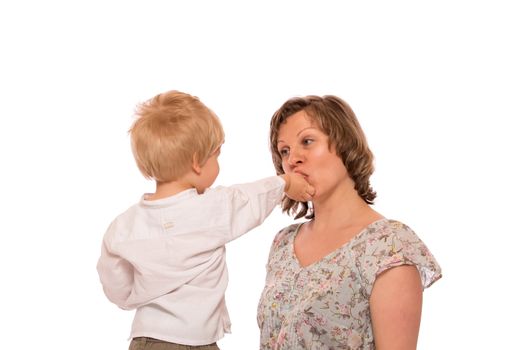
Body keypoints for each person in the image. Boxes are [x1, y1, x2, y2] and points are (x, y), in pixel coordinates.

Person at [96, 90, 315, 350]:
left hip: (145, 339)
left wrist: (135, 295)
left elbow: (114, 283)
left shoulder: (123, 227)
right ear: (197, 163)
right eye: (216, 155)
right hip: (194, 342)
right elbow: (249, 200)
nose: (218, 163)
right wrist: (286, 182)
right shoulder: (210, 209)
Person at [257, 95, 442, 349]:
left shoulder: (388, 245)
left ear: (345, 144)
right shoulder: (283, 242)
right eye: (284, 151)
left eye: (307, 141)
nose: (292, 160)